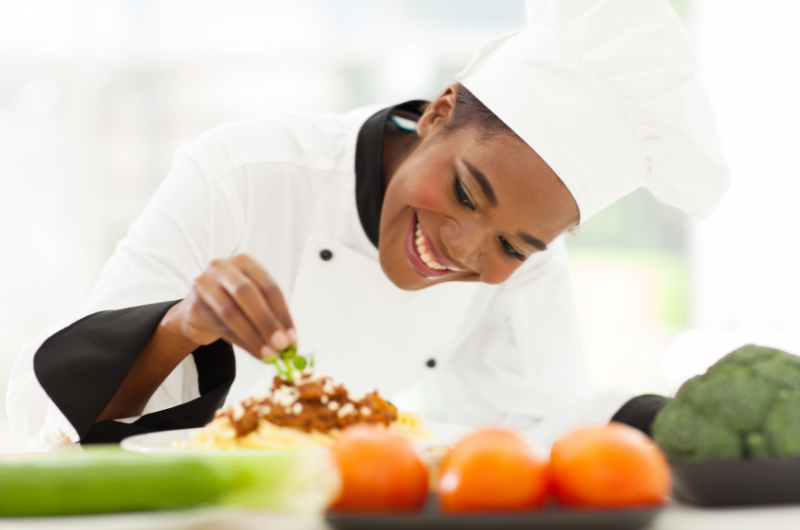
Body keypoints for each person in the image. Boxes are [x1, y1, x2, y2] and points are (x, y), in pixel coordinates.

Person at [6, 0, 729, 451]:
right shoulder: (242, 174)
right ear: (441, 110)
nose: (463, 248)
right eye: (467, 192)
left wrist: (691, 424)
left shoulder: (524, 265)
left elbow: (535, 417)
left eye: (515, 244)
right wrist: (184, 327)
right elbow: (71, 421)